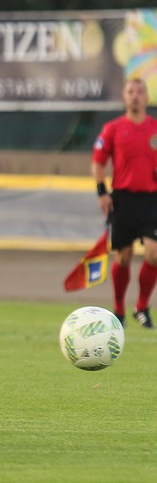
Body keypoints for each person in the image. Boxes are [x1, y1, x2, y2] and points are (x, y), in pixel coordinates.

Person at [91, 77, 157, 329]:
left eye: (140, 91)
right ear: (124, 97)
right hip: (123, 198)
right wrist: (101, 192)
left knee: (153, 253)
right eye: (130, 91)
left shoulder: (155, 127)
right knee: (123, 257)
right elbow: (98, 161)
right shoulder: (113, 128)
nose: (135, 96)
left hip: (152, 199)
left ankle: (141, 307)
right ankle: (118, 310)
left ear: (147, 97)